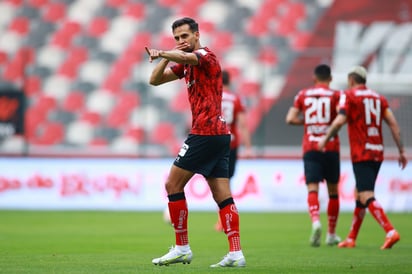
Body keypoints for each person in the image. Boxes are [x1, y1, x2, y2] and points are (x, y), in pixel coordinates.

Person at [145, 17, 246, 267]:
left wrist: (165, 52)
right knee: (222, 195)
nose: (181, 41)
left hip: (205, 133)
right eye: (177, 38)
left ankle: (181, 247)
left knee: (172, 184)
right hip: (220, 135)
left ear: (197, 35)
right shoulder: (186, 62)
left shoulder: (205, 56)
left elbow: (191, 58)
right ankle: (236, 253)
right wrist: (166, 57)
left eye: (185, 37)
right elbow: (154, 80)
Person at [318, 65, 407, 249]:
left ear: (351, 80)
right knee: (359, 193)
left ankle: (390, 231)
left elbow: (341, 119)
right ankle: (351, 238)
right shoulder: (379, 98)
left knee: (366, 195)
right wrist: (401, 150)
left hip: (362, 152)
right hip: (377, 151)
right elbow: (393, 124)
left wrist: (326, 138)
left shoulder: (348, 96)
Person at [285, 64, 341, 247]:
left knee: (312, 188)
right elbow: (342, 118)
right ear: (330, 79)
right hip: (331, 146)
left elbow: (290, 119)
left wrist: (307, 122)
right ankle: (331, 234)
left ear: (314, 78)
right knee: (333, 192)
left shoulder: (303, 94)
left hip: (310, 146)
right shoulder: (336, 95)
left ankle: (316, 221)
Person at [214, 69, 252, 231]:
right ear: (230, 81)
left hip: (214, 142)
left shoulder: (213, 96)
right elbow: (242, 124)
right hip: (231, 144)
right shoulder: (236, 99)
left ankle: (223, 220)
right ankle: (225, 219)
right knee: (226, 182)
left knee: (217, 183)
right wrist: (248, 147)